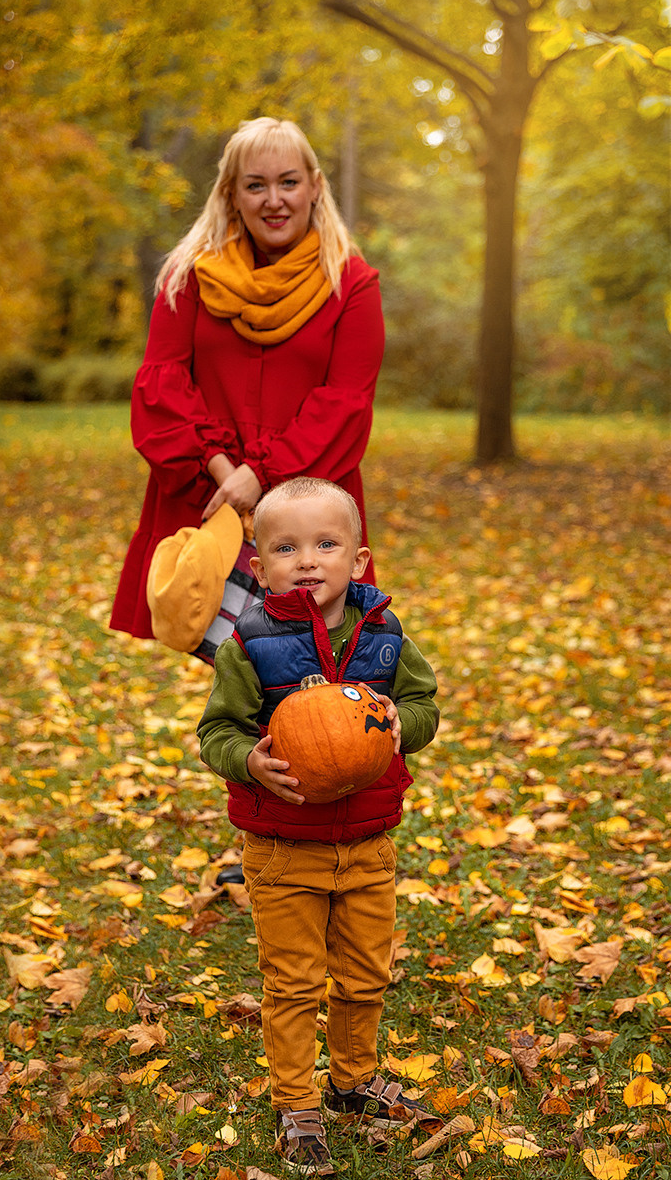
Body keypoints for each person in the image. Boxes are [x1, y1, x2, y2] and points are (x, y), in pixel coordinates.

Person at [197, 477, 439, 1175]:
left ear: (358, 561)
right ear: (260, 566)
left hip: (367, 840)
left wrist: (402, 729)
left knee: (365, 975)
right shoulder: (249, 645)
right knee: (295, 983)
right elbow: (216, 731)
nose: (308, 560)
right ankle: (297, 1102)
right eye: (286, 547)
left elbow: (421, 703)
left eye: (326, 544)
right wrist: (249, 760)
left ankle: (352, 1080)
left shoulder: (388, 636)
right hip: (281, 847)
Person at [110, 116, 386, 646]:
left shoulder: (351, 285)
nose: (273, 200)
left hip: (307, 507)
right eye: (255, 185)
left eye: (288, 182)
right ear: (232, 194)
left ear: (314, 186)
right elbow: (161, 387)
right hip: (208, 493)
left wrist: (260, 475)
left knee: (311, 666)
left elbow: (345, 405)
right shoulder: (187, 275)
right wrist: (224, 472)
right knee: (230, 674)